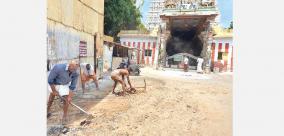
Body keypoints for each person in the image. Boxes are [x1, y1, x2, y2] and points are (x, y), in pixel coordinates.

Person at [47, 60, 79, 125]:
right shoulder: (58, 67)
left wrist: (69, 97)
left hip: (64, 85)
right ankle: (47, 111)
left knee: (66, 100)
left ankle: (64, 117)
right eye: (73, 69)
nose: (74, 71)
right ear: (69, 65)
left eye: (75, 69)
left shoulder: (75, 73)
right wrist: (54, 91)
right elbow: (50, 80)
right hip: (54, 84)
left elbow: (72, 86)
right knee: (51, 99)